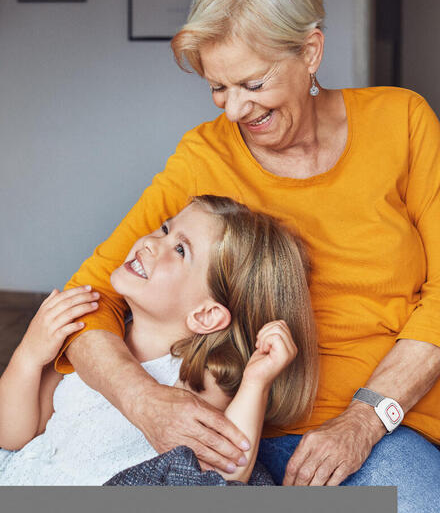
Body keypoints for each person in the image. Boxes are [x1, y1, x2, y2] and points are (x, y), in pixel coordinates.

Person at [53, 0, 439, 509]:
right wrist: (144, 401)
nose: (234, 110)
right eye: (217, 87)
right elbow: (89, 299)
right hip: (238, 427)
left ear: (310, 51)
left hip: (382, 425)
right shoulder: (203, 156)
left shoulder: (402, 122)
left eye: (252, 84)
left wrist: (365, 419)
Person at [0, 196, 318, 485]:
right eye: (165, 229)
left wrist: (256, 383)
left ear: (206, 315)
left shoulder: (198, 377)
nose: (152, 242)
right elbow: (14, 434)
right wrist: (28, 356)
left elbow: (220, 479)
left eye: (180, 249)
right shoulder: (93, 339)